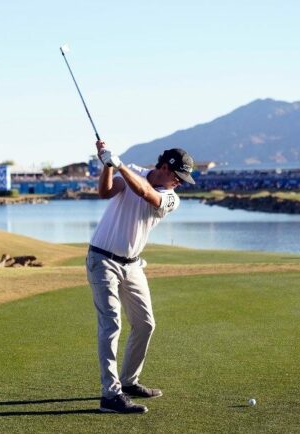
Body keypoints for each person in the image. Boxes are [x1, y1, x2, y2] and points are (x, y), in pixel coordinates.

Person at [87, 140, 195, 414]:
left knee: (145, 324)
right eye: (178, 176)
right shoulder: (132, 171)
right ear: (164, 167)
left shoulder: (171, 198)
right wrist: (108, 166)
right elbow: (105, 192)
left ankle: (129, 381)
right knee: (111, 326)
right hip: (102, 259)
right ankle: (110, 395)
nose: (180, 183)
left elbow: (147, 192)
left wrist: (119, 164)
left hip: (132, 265)